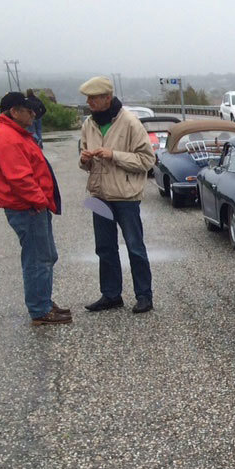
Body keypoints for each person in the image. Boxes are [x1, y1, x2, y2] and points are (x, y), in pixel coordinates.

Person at [0, 91, 69, 325]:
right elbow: (19, 178)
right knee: (38, 259)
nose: (33, 114)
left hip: (31, 207)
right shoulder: (8, 138)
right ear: (14, 112)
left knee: (46, 256)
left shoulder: (15, 134)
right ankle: (40, 310)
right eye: (28, 110)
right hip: (28, 208)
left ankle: (43, 302)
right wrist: (39, 201)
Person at [77, 75, 156, 313]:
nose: (89, 102)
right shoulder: (88, 124)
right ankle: (111, 295)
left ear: (107, 98)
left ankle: (144, 296)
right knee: (104, 248)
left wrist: (114, 155)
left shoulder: (130, 122)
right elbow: (84, 161)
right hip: (98, 196)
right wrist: (84, 160)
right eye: (88, 98)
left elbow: (147, 160)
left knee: (134, 247)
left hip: (125, 197)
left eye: (93, 98)